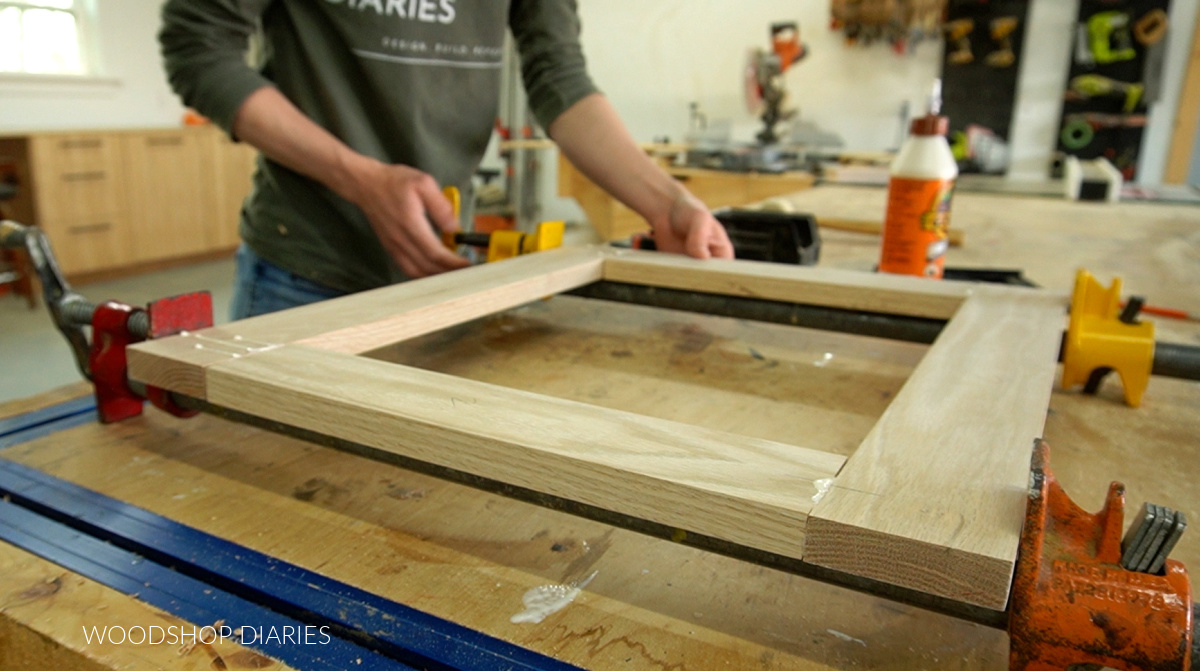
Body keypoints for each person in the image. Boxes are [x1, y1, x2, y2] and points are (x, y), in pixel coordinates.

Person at [159, 0, 734, 319]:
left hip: (434, 271)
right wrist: (360, 178)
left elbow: (557, 73)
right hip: (306, 268)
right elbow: (199, 49)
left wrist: (668, 205)